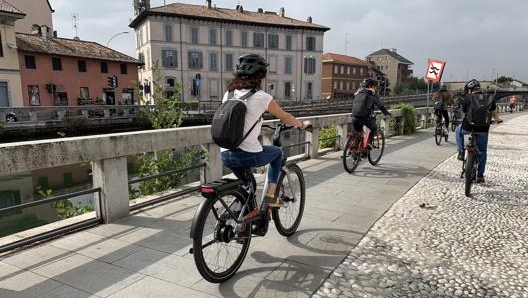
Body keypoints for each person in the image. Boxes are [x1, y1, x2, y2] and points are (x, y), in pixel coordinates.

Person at [220, 54, 311, 211]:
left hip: (225, 153)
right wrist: (301, 124)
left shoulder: (228, 94)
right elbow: (285, 116)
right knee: (277, 153)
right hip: (246, 154)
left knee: (249, 186)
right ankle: (270, 197)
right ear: (259, 76)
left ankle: (242, 225)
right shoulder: (261, 97)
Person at [455, 79, 502, 183]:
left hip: (468, 128)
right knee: (482, 151)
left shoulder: (467, 99)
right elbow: (494, 113)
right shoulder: (489, 98)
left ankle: (461, 151)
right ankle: (480, 175)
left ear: (471, 90)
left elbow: (464, 115)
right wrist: (498, 120)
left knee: (458, 131)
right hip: (483, 129)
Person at [351, 78, 391, 149]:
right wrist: (386, 113)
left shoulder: (357, 93)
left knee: (358, 133)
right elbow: (380, 105)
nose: (375, 88)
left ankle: (354, 150)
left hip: (354, 117)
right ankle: (369, 142)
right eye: (374, 86)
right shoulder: (371, 95)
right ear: (371, 86)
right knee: (374, 128)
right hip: (365, 117)